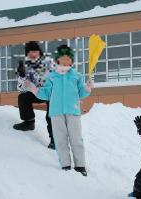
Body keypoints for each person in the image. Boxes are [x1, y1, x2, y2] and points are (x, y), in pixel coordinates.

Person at [25, 45, 93, 176]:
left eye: (68, 59)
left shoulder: (76, 76)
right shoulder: (51, 77)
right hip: (56, 112)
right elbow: (46, 93)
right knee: (60, 140)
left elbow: (81, 93)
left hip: (73, 111)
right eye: (63, 58)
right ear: (58, 60)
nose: (66, 61)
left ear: (72, 61)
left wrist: (87, 88)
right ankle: (65, 165)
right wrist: (35, 89)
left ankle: (80, 165)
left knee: (76, 139)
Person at [13, 41, 56, 150]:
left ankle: (55, 140)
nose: (33, 55)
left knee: (51, 115)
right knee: (23, 97)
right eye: (30, 53)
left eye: (35, 52)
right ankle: (29, 122)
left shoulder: (49, 63)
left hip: (52, 93)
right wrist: (22, 76)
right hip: (37, 92)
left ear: (39, 52)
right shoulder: (25, 66)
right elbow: (20, 89)